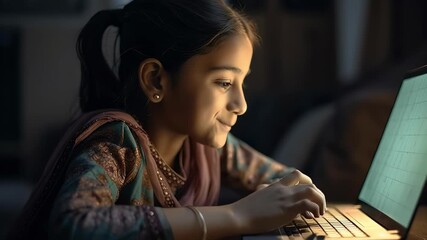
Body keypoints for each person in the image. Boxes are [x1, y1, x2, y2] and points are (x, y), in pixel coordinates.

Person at [9, 0, 326, 239]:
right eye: (225, 83)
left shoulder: (209, 148)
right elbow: (73, 224)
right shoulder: (117, 143)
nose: (241, 104)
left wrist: (289, 193)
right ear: (156, 81)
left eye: (242, 83)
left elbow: (286, 180)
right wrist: (236, 216)